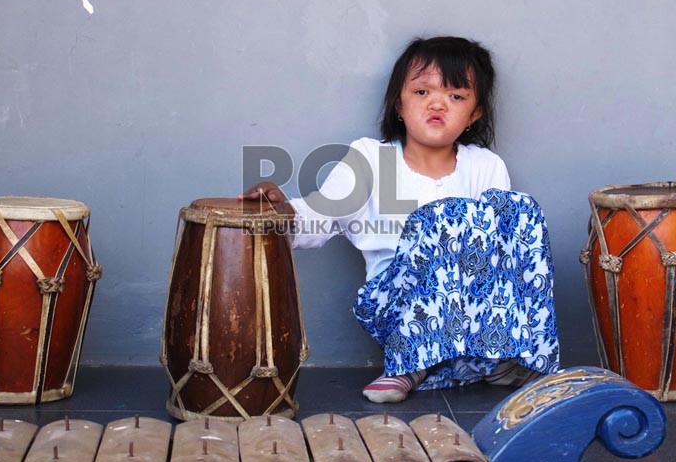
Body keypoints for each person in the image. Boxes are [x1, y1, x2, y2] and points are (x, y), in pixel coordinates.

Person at [239, 36, 559, 403]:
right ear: (399, 104)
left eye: (456, 96)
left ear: (474, 115)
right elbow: (321, 213)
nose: (438, 102)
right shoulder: (369, 160)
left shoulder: (485, 166)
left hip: (472, 319)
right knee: (446, 217)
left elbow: (499, 258)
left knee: (520, 211)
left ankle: (502, 358)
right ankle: (408, 363)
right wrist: (285, 210)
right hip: (395, 303)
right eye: (422, 92)